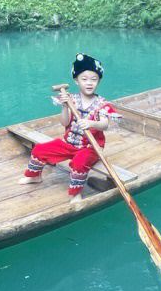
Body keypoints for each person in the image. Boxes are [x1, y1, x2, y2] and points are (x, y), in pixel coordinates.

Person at [18, 53, 122, 198]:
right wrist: (66, 106)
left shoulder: (101, 104)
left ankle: (76, 194)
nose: (89, 83)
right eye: (84, 79)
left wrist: (91, 123)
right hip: (69, 143)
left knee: (79, 163)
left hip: (90, 147)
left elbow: (104, 125)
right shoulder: (71, 99)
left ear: (98, 81)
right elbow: (64, 122)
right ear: (76, 81)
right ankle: (34, 176)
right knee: (39, 149)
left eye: (94, 79)